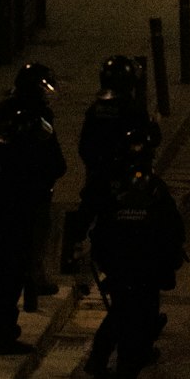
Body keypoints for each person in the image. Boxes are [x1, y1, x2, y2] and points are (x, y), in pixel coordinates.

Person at [89, 139, 185, 379]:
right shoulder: (155, 191)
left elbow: (100, 234)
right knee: (140, 344)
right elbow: (174, 232)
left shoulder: (113, 192)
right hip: (144, 279)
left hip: (120, 279)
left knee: (129, 339)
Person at [0, 101, 45, 356]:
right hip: (15, 224)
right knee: (11, 279)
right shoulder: (17, 158)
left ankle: (6, 327)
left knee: (5, 272)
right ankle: (5, 336)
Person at [71, 55, 161, 264]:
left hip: (99, 173)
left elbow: (84, 145)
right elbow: (149, 139)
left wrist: (95, 164)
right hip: (126, 176)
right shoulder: (132, 110)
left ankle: (73, 247)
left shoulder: (95, 109)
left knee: (88, 206)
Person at [0, 62, 67, 302]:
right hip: (32, 185)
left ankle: (7, 275)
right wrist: (55, 170)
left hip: (7, 185)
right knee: (36, 234)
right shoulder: (40, 115)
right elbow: (50, 149)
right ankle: (33, 278)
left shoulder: (4, 109)